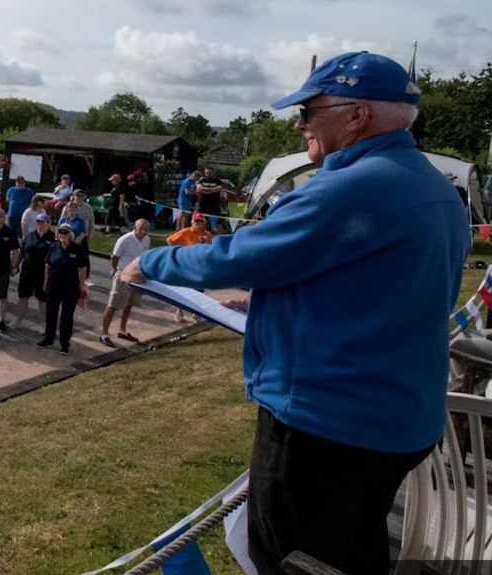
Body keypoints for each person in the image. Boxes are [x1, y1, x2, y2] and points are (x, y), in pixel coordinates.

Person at [121, 51, 470, 574]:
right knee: (353, 549)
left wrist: (151, 261)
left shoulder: (349, 188)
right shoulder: (433, 186)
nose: (299, 122)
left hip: (327, 425)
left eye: (310, 110)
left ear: (357, 115)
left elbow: (239, 254)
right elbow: (380, 289)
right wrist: (271, 302)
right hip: (398, 417)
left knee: (292, 559)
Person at [38, 223, 89, 354]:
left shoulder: (77, 249)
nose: (62, 235)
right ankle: (49, 338)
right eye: (60, 232)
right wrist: (45, 282)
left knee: (66, 315)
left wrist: (81, 284)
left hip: (70, 287)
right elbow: (47, 265)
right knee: (51, 313)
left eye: (65, 233)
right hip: (53, 285)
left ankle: (64, 343)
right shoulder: (53, 247)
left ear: (70, 235)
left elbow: (83, 267)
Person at [98, 219, 151, 347]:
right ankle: (104, 333)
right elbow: (114, 257)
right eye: (141, 228)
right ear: (135, 228)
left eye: (146, 229)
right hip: (123, 274)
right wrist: (116, 270)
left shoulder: (147, 240)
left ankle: (122, 330)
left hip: (137, 276)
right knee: (113, 304)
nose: (143, 231)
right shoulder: (125, 239)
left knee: (129, 304)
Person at [163, 212, 214, 322]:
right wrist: (177, 252)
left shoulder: (208, 235)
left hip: (201, 267)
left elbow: (211, 250)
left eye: (200, 222)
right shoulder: (186, 232)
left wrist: (206, 242)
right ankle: (179, 311)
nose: (198, 224)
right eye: (196, 222)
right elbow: (170, 240)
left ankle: (196, 313)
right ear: (192, 222)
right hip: (187, 265)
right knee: (184, 290)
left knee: (199, 291)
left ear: (204, 223)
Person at [12, 212, 54, 327]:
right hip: (27, 272)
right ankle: (18, 319)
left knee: (42, 299)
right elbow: (22, 252)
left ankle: (44, 323)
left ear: (48, 223)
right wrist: (15, 265)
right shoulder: (30, 236)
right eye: (38, 222)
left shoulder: (53, 238)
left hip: (43, 274)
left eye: (43, 222)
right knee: (23, 296)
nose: (40, 225)